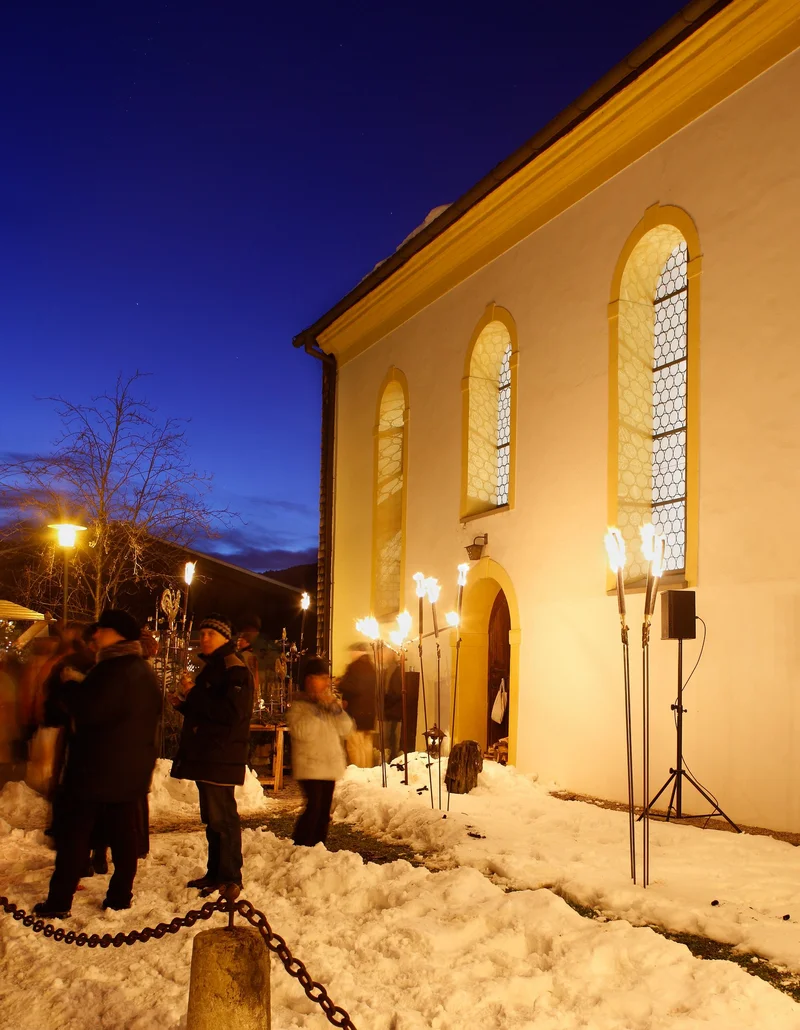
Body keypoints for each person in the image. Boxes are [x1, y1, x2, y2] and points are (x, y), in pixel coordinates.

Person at [33, 610, 161, 918]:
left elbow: (90, 713)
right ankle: (119, 896)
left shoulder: (111, 670)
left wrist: (69, 689)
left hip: (95, 770)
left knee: (74, 836)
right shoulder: (144, 672)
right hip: (129, 771)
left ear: (115, 634)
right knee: (123, 836)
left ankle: (59, 902)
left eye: (101, 630)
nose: (95, 635)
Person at [171, 614, 253, 894]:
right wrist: (184, 704)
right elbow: (209, 710)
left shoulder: (233, 669)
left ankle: (230, 876)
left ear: (225, 639)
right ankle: (216, 872)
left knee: (223, 818)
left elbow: (230, 713)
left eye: (210, 634)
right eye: (202, 633)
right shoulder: (214, 668)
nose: (203, 638)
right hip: (209, 754)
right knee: (212, 818)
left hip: (221, 754)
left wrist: (193, 694)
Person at [286, 657, 353, 847]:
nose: (326, 682)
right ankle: (301, 844)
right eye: (321, 677)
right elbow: (302, 732)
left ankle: (318, 846)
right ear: (309, 680)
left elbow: (346, 728)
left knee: (324, 811)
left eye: (327, 677)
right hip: (310, 766)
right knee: (314, 807)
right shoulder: (300, 705)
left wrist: (335, 710)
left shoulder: (330, 703)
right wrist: (317, 708)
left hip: (329, 765)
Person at [338, 643, 376, 768]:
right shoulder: (371, 667)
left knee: (354, 746)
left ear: (357, 652)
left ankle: (358, 772)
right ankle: (367, 772)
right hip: (370, 713)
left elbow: (350, 687)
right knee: (366, 745)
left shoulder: (354, 667)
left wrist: (339, 684)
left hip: (356, 712)